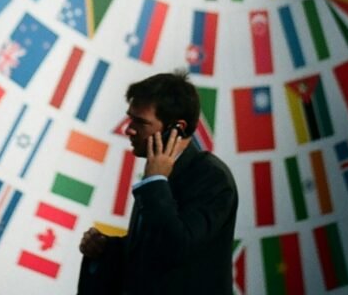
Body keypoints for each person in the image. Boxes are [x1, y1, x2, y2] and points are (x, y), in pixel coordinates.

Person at [77, 71, 238, 295]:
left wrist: (155, 182)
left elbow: (176, 248)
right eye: (130, 118)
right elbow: (152, 251)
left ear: (177, 128)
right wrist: (105, 248)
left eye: (140, 122)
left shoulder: (212, 178)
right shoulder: (159, 173)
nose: (128, 130)